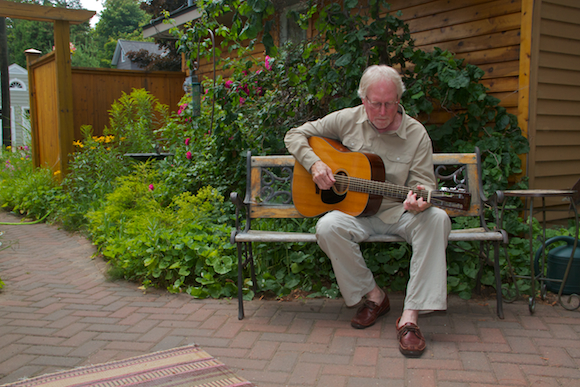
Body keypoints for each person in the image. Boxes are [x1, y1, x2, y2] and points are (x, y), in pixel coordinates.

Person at [284, 65, 451, 357]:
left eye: (390, 104)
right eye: (376, 104)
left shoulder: (416, 134)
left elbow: (425, 183)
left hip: (400, 213)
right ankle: (374, 297)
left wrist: (420, 200)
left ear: (399, 101)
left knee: (437, 218)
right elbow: (294, 134)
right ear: (364, 100)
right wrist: (315, 164)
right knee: (327, 226)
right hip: (357, 213)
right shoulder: (347, 119)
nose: (383, 111)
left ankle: (410, 318)